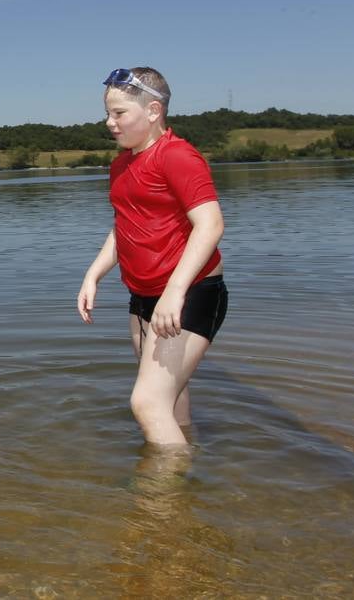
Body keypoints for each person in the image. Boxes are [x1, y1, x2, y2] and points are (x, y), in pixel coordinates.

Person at [77, 67, 228, 448]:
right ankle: (187, 461)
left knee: (146, 403)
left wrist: (175, 292)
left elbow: (210, 225)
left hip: (190, 291)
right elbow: (125, 226)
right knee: (169, 398)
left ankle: (164, 498)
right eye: (107, 113)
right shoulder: (121, 165)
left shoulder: (177, 156)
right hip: (143, 297)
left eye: (119, 113)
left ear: (153, 111)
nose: (110, 123)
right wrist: (93, 275)